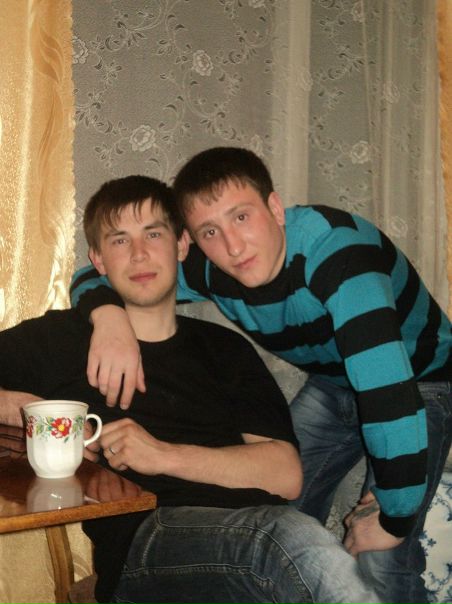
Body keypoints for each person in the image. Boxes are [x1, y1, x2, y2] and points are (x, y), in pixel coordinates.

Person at [70, 148, 452, 604]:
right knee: (271, 508)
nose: (233, 246)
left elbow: (387, 394)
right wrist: (109, 319)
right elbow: (97, 275)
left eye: (241, 217)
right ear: (192, 240)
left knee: (383, 557)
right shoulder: (210, 266)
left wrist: (394, 519)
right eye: (210, 231)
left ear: (275, 208)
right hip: (334, 382)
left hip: (418, 380)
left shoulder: (341, 256)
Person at [0, 175, 383, 604]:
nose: (139, 253)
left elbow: (286, 475)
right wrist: (23, 407)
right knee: (288, 539)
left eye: (153, 234)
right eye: (120, 240)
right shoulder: (64, 338)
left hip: (261, 538)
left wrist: (162, 454)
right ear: (98, 260)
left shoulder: (225, 348)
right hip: (150, 540)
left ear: (182, 245)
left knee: (299, 544)